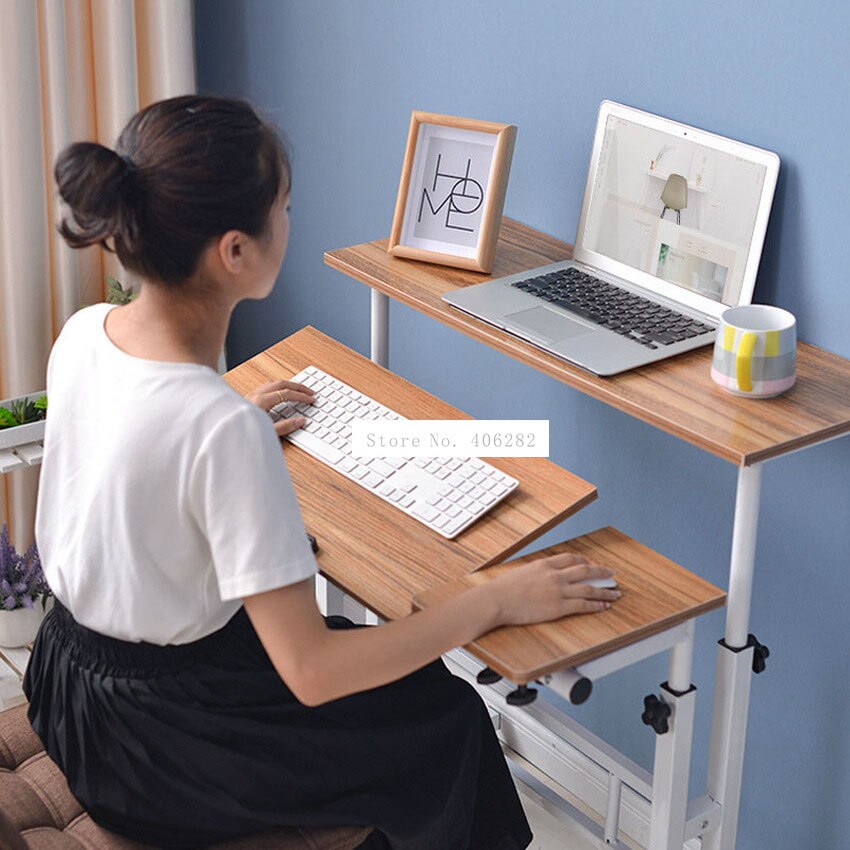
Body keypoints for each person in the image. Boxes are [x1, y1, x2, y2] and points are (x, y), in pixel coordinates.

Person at [22, 95, 620, 850]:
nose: (289, 221)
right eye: (285, 207)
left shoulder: (85, 334)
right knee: (451, 718)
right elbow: (312, 672)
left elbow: (130, 456)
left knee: (395, 681)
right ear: (235, 251)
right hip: (161, 750)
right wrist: (492, 600)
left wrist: (224, 426)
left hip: (69, 691)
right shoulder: (219, 429)